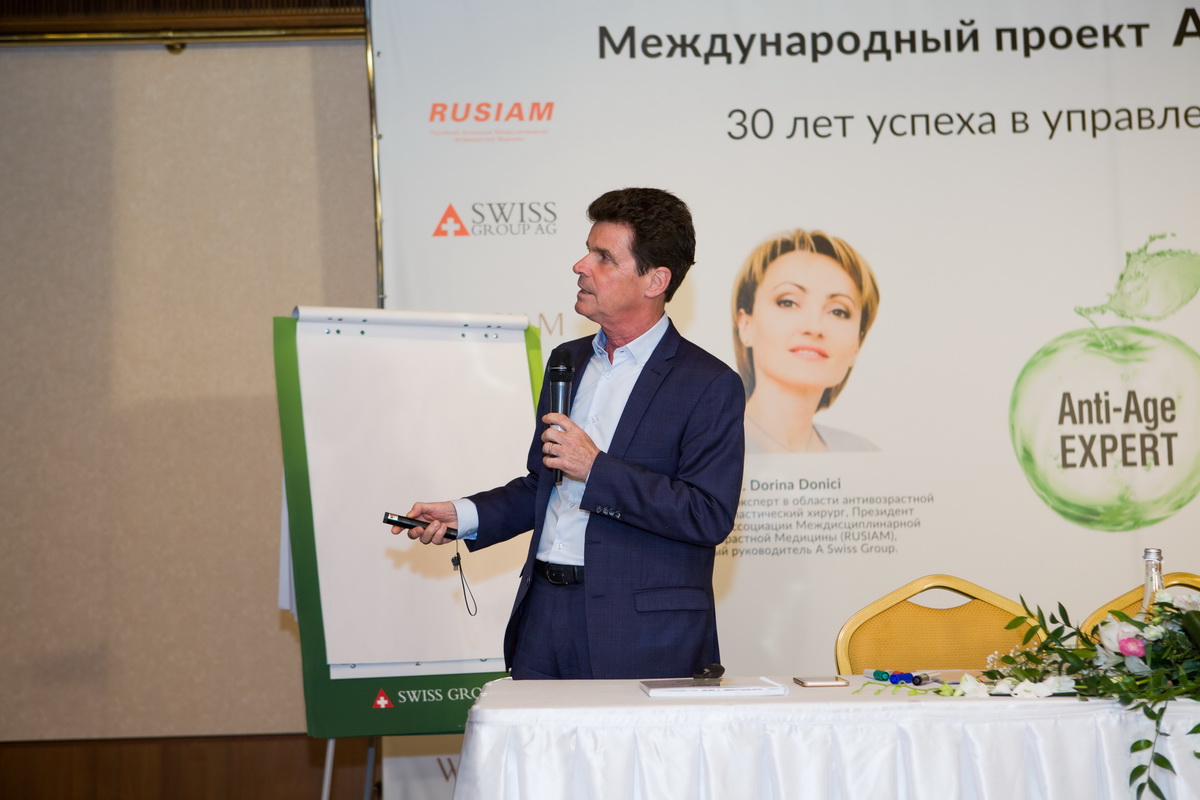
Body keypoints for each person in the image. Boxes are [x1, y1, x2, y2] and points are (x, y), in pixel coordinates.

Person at [396, 188, 746, 680]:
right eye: (587, 251)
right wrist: (464, 515)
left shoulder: (708, 383)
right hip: (543, 616)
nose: (580, 266)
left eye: (604, 257)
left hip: (640, 632)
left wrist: (596, 469)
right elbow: (544, 485)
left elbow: (707, 515)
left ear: (656, 280)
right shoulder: (568, 360)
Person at [731, 229, 880, 453]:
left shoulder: (864, 457)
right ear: (745, 324)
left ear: (856, 345)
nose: (814, 328)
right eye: (788, 302)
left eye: (838, 311)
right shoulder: (702, 448)